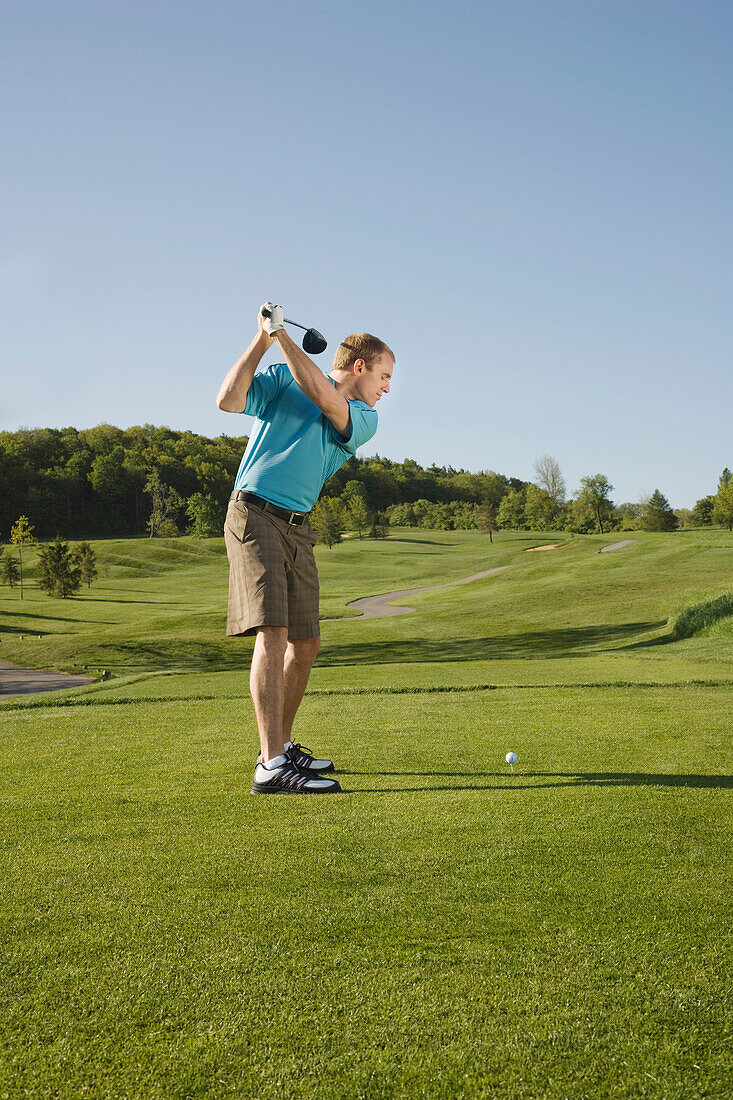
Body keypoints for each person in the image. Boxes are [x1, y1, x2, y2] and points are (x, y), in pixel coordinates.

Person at [216, 303, 395, 794]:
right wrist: (262, 340)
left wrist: (283, 337)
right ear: (360, 365)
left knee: (306, 641)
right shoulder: (281, 376)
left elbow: (323, 396)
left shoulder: (362, 416)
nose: (387, 388)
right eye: (383, 374)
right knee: (273, 633)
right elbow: (228, 401)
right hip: (253, 513)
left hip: (298, 526)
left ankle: (281, 744)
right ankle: (271, 765)